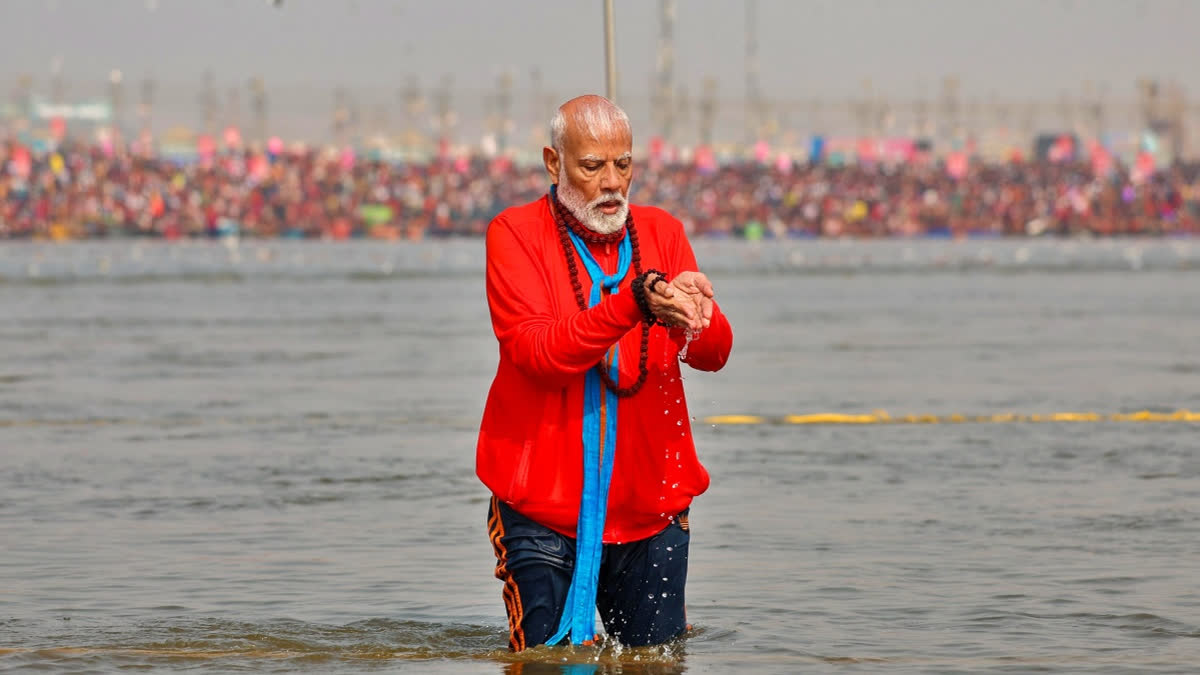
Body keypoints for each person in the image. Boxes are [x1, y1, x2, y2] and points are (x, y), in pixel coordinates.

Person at [476, 94, 733, 651]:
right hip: (542, 511)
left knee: (657, 665)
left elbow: (713, 353)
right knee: (548, 666)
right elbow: (538, 356)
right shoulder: (513, 233)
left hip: (652, 509)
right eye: (592, 166)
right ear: (554, 163)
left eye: (623, 164)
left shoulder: (662, 230)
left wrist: (695, 318)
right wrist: (634, 305)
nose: (612, 182)